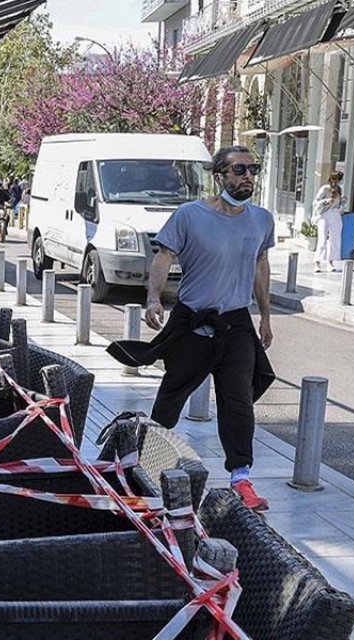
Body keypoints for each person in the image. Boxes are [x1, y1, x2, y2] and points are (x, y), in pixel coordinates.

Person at [105, 145, 277, 512]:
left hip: (236, 323)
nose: (248, 176)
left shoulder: (262, 220)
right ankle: (144, 462)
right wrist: (154, 299)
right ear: (219, 176)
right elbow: (163, 256)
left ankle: (240, 477)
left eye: (253, 169)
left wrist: (265, 315)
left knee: (238, 401)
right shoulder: (189, 215)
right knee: (172, 395)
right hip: (194, 321)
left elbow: (261, 264)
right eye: (239, 170)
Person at [313, 171, 345, 272]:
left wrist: (343, 204)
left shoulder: (339, 190)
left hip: (335, 215)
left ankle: (331, 262)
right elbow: (316, 202)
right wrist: (327, 201)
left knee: (335, 239)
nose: (337, 182)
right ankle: (317, 262)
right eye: (335, 179)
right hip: (324, 215)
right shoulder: (325, 189)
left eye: (339, 180)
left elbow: (339, 204)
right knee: (322, 238)